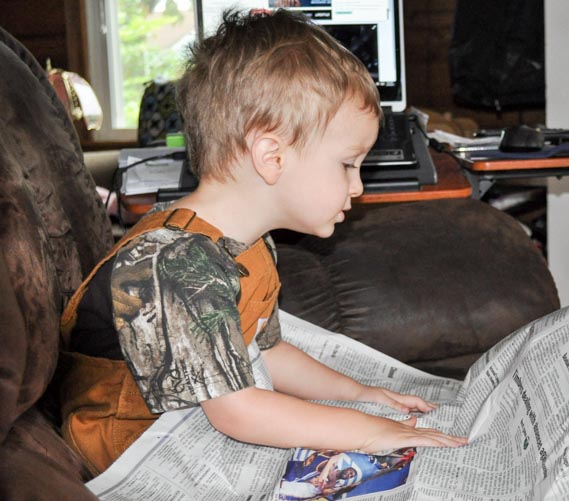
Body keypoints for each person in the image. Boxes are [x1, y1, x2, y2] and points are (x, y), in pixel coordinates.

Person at [59, 9, 466, 476]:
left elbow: (266, 351)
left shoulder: (250, 245)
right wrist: (374, 430)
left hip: (209, 423)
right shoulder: (172, 260)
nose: (358, 188)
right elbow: (240, 411)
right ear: (271, 157)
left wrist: (358, 394)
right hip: (132, 453)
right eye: (348, 165)